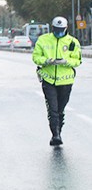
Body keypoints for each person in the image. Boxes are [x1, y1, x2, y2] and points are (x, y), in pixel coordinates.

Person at [32, 16, 82, 146]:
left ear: (66, 28)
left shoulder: (72, 42)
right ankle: (56, 135)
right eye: (56, 29)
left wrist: (66, 62)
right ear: (52, 28)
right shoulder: (43, 40)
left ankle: (59, 130)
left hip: (65, 81)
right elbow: (36, 57)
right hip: (48, 80)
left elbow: (77, 61)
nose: (58, 32)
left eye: (61, 30)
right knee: (52, 109)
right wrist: (46, 61)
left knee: (60, 109)